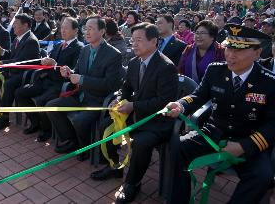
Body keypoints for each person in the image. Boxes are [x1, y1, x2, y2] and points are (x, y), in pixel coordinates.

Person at [166, 25, 275, 204]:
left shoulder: (269, 82)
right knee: (178, 147)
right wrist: (181, 105)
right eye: (229, 47)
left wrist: (244, 146)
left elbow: (272, 124)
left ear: (257, 53)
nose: (231, 55)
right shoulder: (215, 70)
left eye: (239, 50)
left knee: (262, 176)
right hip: (214, 133)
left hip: (249, 141)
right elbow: (198, 96)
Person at [90, 23, 178, 203]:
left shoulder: (166, 67)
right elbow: (126, 88)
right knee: (106, 125)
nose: (134, 44)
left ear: (154, 41)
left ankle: (133, 183)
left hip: (157, 120)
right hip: (136, 113)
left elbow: (163, 102)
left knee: (141, 142)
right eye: (132, 40)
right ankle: (114, 166)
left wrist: (133, 106)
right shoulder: (133, 62)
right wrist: (119, 98)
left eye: (139, 40)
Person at [46, 16, 123, 161]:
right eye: (85, 28)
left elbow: (109, 85)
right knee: (51, 107)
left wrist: (82, 79)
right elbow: (78, 71)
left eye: (91, 29)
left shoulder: (113, 55)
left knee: (79, 120)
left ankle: (85, 148)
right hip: (80, 95)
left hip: (97, 100)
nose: (87, 32)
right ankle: (71, 141)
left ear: (102, 31)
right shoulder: (85, 50)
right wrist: (69, 72)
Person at [15, 17, 84, 141]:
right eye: (62, 27)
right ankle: (36, 122)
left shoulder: (79, 48)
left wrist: (55, 64)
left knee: (42, 100)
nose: (63, 31)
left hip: (61, 84)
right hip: (47, 79)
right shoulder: (59, 44)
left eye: (66, 28)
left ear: (75, 30)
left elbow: (74, 70)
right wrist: (45, 61)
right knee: (20, 93)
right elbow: (50, 61)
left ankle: (46, 130)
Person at [0, 13, 40, 132]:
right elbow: (13, 54)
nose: (13, 26)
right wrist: (3, 51)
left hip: (25, 74)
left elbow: (22, 62)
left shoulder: (31, 41)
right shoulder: (18, 37)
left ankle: (4, 119)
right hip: (14, 70)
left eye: (16, 24)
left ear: (25, 25)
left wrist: (2, 63)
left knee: (9, 84)